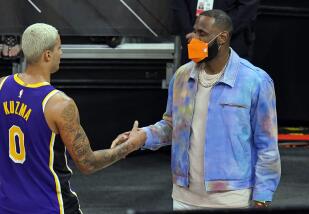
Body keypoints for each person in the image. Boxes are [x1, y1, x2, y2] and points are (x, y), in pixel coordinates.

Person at [116, 9, 281, 210]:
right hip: (184, 198)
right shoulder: (182, 76)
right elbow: (171, 125)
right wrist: (141, 137)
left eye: (201, 33)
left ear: (222, 38)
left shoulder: (255, 81)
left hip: (232, 199)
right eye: (194, 32)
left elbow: (266, 146)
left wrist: (262, 198)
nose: (193, 38)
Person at [0, 23, 144, 213]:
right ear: (47, 55)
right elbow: (87, 163)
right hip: (50, 206)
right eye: (59, 48)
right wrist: (130, 145)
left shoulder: (2, 86)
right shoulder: (59, 104)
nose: (62, 53)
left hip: (6, 205)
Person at [172, 0, 260, 64]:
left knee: (231, 83)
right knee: (194, 80)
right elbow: (180, 6)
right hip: (194, 39)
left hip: (230, 40)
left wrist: (220, 31)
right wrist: (194, 32)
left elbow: (247, 7)